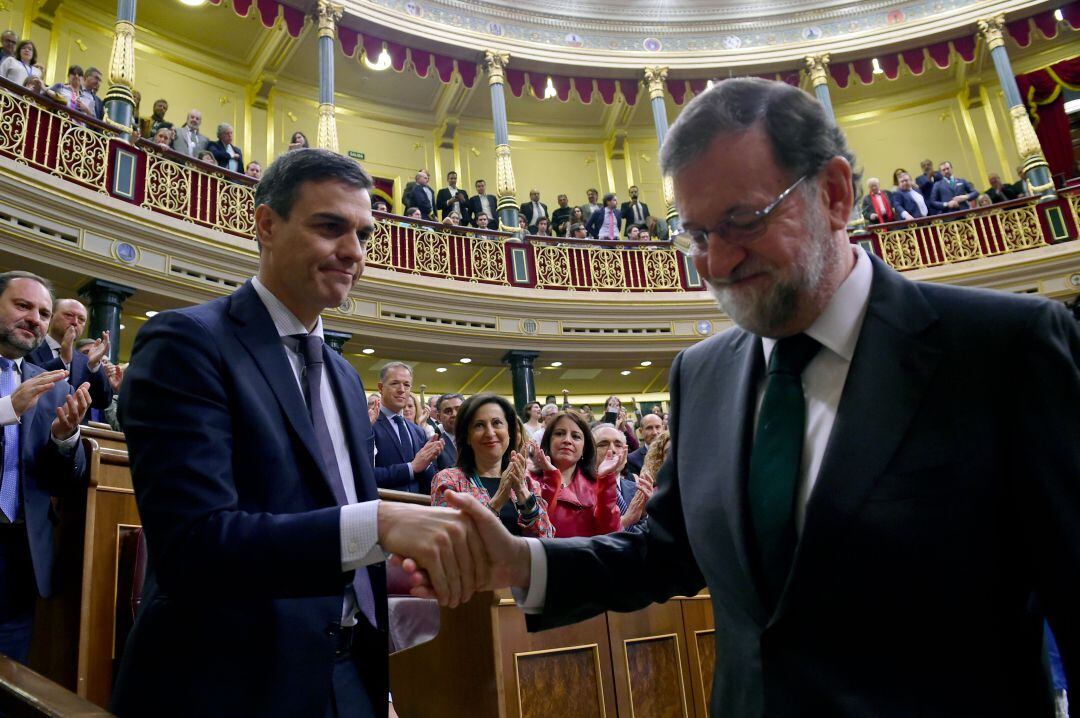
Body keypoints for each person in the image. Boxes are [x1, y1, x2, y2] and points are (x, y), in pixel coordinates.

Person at [420, 77, 1080, 717]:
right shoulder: (700, 375)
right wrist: (522, 561)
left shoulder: (1003, 351)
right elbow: (666, 550)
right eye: (697, 235)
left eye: (743, 222)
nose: (715, 263)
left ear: (835, 192)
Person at [111, 148, 489, 718]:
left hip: (347, 675)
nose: (353, 253)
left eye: (362, 233)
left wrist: (404, 572)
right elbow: (195, 546)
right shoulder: (186, 342)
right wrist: (382, 523)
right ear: (266, 224)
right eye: (330, 227)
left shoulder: (339, 373)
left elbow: (329, 534)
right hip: (229, 683)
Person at [0, 271, 90, 664]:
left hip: (20, 555)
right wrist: (7, 409)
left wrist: (64, 437)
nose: (35, 318)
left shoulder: (53, 383)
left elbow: (68, 479)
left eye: (43, 311)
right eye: (22, 306)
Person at [431, 393, 553, 538]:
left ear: (509, 432)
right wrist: (497, 501)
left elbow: (547, 537)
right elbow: (453, 541)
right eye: (479, 425)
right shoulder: (448, 481)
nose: (490, 433)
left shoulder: (527, 482)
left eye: (497, 423)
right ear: (467, 437)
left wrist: (521, 491)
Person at [529, 411, 620, 538]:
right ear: (548, 441)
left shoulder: (598, 484)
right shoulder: (529, 480)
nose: (567, 440)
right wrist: (552, 478)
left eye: (576, 436)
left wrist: (606, 480)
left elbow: (609, 532)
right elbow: (533, 529)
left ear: (584, 448)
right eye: (559, 433)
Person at [26, 297, 112, 414]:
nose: (75, 322)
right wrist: (62, 361)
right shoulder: (29, 346)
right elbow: (25, 383)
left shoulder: (85, 360)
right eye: (69, 315)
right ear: (51, 316)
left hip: (72, 430)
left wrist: (95, 366)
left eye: (81, 319)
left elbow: (103, 401)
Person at [372, 361, 443, 496]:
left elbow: (427, 482)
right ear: (380, 388)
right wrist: (411, 468)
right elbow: (364, 475)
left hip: (418, 508)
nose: (401, 390)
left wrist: (427, 462)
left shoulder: (418, 431)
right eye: (394, 383)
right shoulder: (368, 425)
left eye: (406, 385)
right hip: (382, 508)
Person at [591, 424, 652, 532]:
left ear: (626, 452)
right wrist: (625, 520)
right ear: (590, 452)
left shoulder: (637, 489)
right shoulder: (582, 491)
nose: (612, 450)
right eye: (603, 444)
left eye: (618, 445)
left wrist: (647, 514)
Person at [433, 392, 463, 471]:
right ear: (439, 417)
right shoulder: (435, 448)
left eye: (459, 409)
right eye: (448, 411)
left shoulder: (479, 440)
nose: (454, 414)